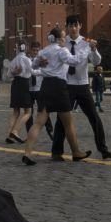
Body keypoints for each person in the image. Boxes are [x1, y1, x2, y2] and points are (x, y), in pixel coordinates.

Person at [51, 16, 111, 159]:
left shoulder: (86, 42)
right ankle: (56, 152)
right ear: (66, 27)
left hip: (82, 85)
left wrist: (93, 49)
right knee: (62, 119)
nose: (73, 28)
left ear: (80, 26)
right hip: (67, 85)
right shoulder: (62, 43)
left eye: (76, 25)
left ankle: (103, 149)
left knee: (94, 118)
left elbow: (97, 61)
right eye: (70, 25)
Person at [22, 27, 90, 165]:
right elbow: (75, 61)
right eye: (63, 37)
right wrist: (87, 48)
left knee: (38, 122)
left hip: (45, 86)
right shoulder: (61, 50)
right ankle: (76, 152)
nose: (65, 40)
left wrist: (40, 63)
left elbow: (34, 65)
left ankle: (27, 153)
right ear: (58, 39)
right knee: (68, 123)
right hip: (59, 87)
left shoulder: (43, 51)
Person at [5, 43, 32, 143]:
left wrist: (14, 72)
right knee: (28, 111)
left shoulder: (13, 61)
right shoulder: (27, 59)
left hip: (15, 84)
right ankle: (15, 131)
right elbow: (32, 71)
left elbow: (8, 75)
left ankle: (9, 135)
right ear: (25, 48)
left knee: (15, 112)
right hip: (24, 84)